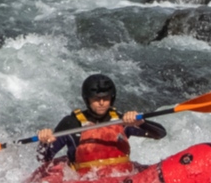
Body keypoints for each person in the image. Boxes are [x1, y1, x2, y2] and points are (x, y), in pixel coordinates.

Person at [37, 74, 165, 174]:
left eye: (106, 98)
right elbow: (43, 158)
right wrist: (44, 142)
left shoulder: (122, 121)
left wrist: (141, 123)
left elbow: (160, 134)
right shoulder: (71, 123)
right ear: (87, 99)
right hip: (82, 178)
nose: (102, 103)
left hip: (118, 175)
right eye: (96, 99)